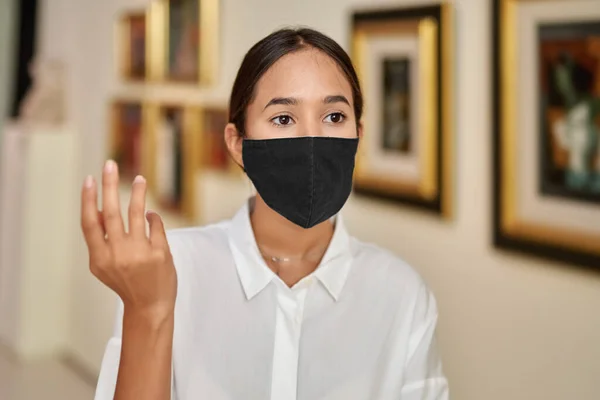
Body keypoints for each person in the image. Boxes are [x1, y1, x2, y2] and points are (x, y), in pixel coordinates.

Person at [82, 27, 449, 400]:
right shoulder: (167, 269)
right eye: (283, 118)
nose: (312, 137)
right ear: (238, 144)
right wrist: (149, 310)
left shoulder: (402, 294)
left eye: (334, 117)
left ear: (358, 133)